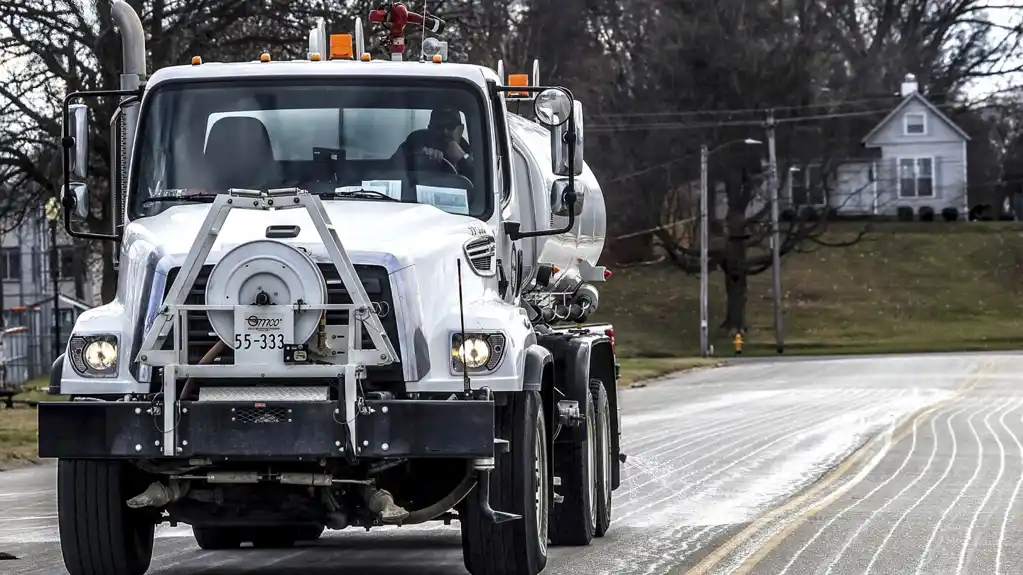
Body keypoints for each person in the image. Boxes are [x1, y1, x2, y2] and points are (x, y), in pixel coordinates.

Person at [392, 107, 474, 178]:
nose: (445, 131)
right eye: (439, 126)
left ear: (461, 129)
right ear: (430, 129)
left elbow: (481, 184)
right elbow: (391, 168)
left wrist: (462, 160)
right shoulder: (414, 144)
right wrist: (419, 161)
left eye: (450, 126)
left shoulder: (471, 152)